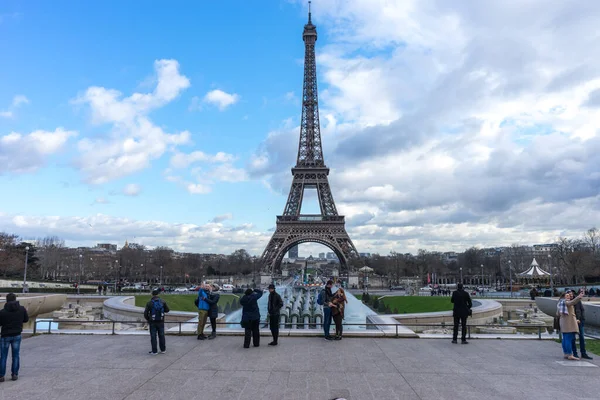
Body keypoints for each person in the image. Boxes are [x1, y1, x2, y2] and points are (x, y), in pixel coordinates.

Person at [0, 293, 29, 381]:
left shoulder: (3, 311)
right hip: (17, 334)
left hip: (5, 336)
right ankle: (14, 374)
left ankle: (1, 375)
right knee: (15, 355)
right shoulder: (22, 309)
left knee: (3, 356)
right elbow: (26, 320)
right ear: (15, 299)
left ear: (7, 300)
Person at [557, 289, 584, 360]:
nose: (569, 297)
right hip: (569, 323)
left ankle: (566, 353)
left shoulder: (560, 303)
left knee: (565, 339)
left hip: (563, 322)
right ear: (563, 297)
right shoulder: (566, 302)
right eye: (567, 296)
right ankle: (570, 354)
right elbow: (572, 302)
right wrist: (579, 297)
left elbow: (557, 313)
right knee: (568, 338)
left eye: (569, 296)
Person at [144, 288, 170, 355]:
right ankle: (163, 350)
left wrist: (149, 319)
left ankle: (154, 351)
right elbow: (167, 310)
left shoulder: (149, 303)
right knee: (161, 336)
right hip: (161, 321)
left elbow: (145, 313)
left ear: (152, 295)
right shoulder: (162, 301)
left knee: (153, 336)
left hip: (152, 322)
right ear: (158, 294)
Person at [571, 290, 592, 359]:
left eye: (571, 294)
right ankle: (574, 353)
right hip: (573, 322)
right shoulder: (568, 301)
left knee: (582, 337)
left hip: (580, 321)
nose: (571, 295)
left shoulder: (578, 301)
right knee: (573, 338)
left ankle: (583, 353)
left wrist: (582, 319)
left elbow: (582, 309)